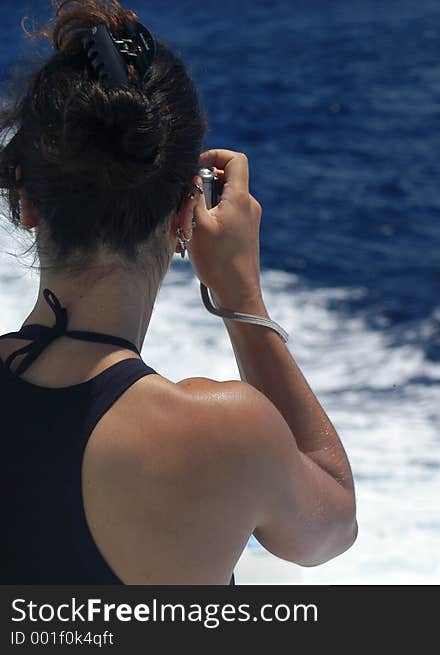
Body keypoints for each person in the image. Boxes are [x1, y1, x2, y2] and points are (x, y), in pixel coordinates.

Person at [0, 0, 357, 584]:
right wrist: (241, 296)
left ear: (27, 201)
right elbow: (332, 525)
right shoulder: (223, 434)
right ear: (186, 214)